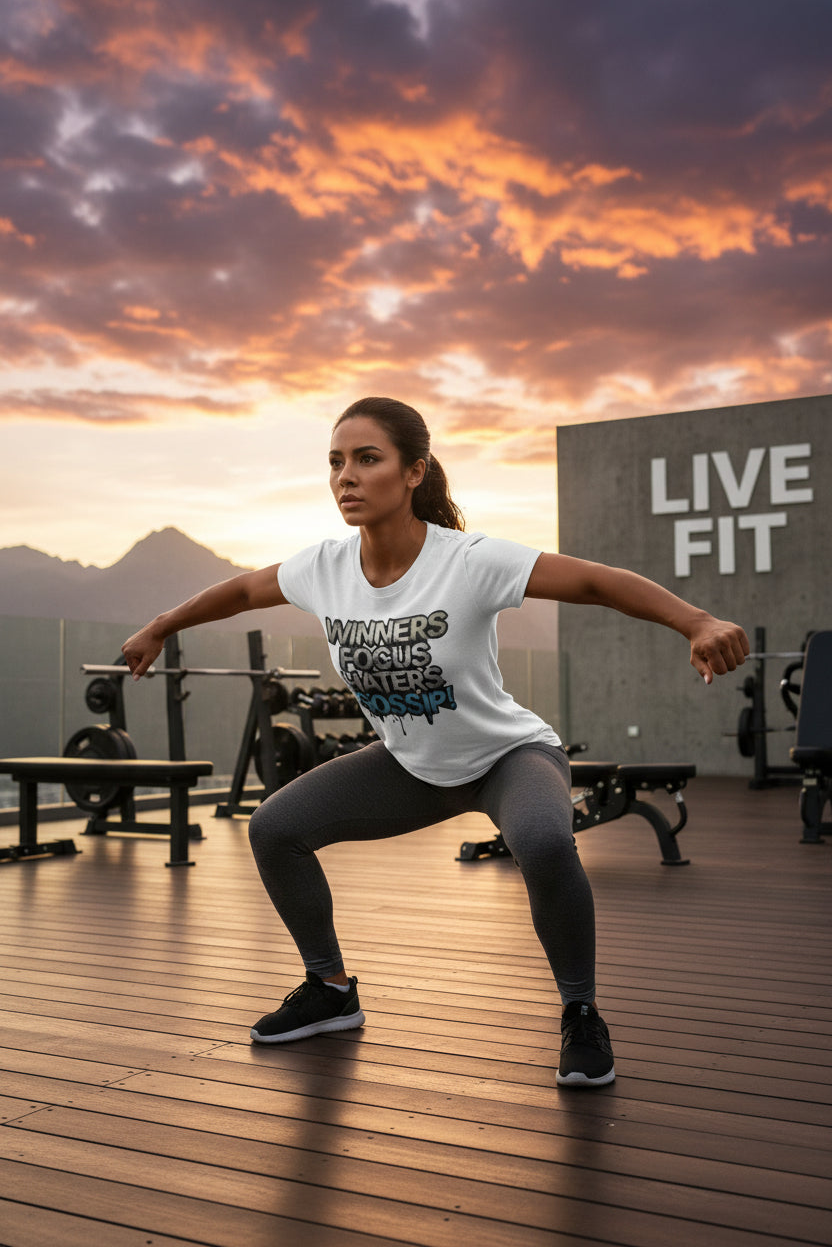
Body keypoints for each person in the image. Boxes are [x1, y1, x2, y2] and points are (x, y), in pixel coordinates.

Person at [122, 396, 749, 1087]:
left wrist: (696, 621)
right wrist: (161, 626)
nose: (346, 477)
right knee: (274, 828)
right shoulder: (325, 568)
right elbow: (243, 592)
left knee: (544, 843)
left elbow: (597, 582)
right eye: (336, 462)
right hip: (410, 765)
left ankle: (580, 1010)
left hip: (508, 757)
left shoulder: (469, 561)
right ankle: (330, 989)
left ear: (414, 471)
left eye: (368, 459)